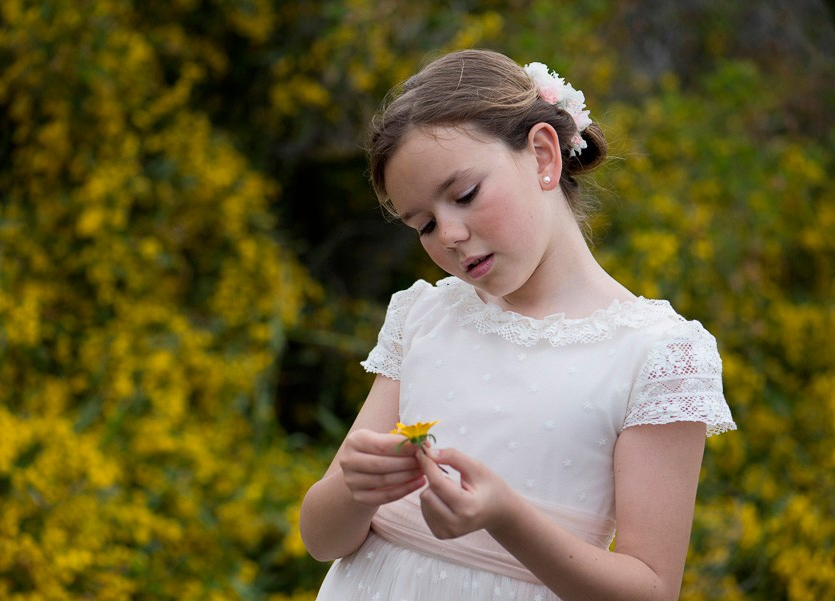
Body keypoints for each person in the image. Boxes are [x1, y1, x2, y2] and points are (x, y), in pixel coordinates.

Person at [299, 49, 736, 601]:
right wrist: (354, 491)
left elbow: (650, 589)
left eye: (464, 196)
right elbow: (320, 538)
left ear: (542, 154)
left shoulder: (656, 354)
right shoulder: (427, 317)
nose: (449, 235)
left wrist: (505, 518)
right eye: (424, 224)